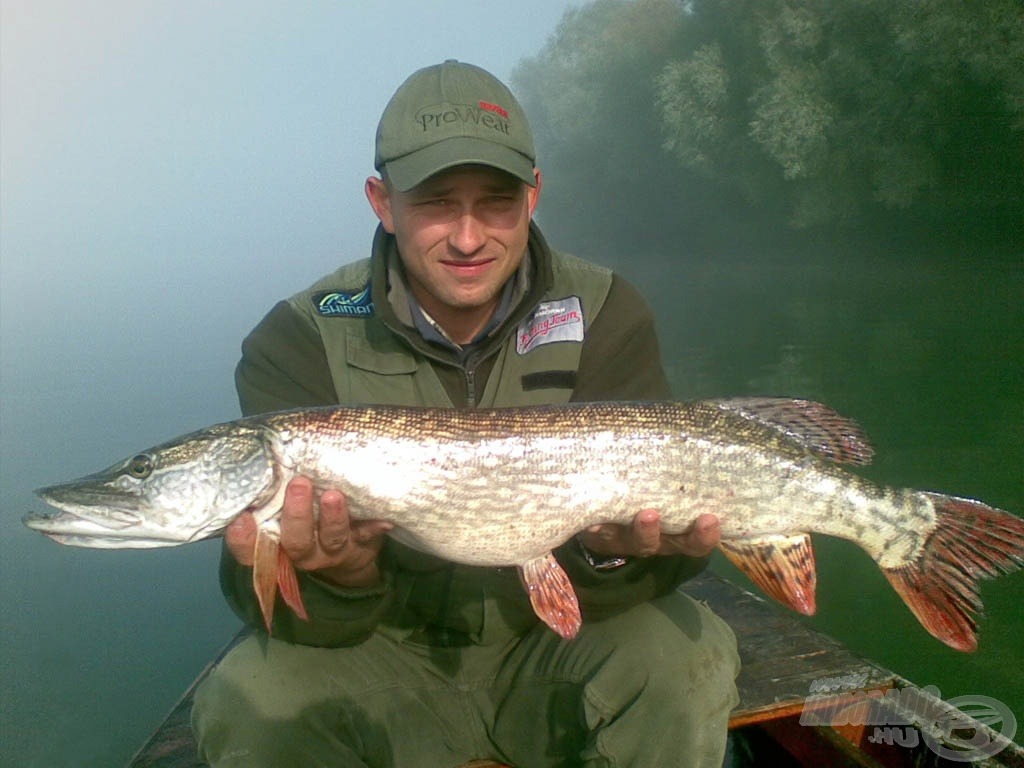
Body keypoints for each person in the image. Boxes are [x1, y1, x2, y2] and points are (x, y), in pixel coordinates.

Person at [192, 60, 740, 768]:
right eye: (436, 202)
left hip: (559, 646)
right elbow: (270, 603)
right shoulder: (297, 338)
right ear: (382, 202)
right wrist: (343, 576)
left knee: (678, 662)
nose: (470, 236)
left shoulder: (604, 310)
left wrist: (611, 554)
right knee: (250, 699)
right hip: (384, 650)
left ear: (534, 196)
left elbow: (660, 568)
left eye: (497, 201)